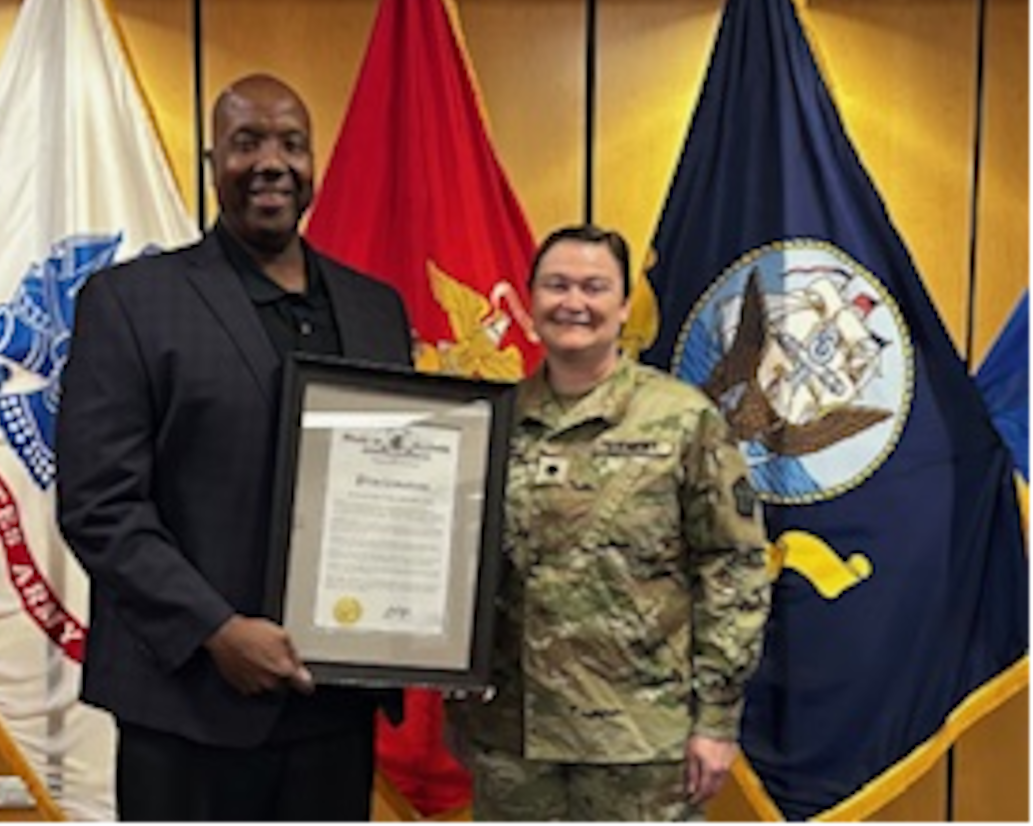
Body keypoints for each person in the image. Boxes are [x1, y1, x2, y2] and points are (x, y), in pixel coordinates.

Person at [56, 73, 412, 825]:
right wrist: (215, 631)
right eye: (247, 142)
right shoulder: (131, 301)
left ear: (314, 162)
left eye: (291, 142)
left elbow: (397, 486)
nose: (271, 161)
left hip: (331, 707)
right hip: (188, 704)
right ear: (213, 159)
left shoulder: (377, 310)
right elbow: (99, 505)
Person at [449, 224, 771, 825]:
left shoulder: (682, 420)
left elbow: (735, 569)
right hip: (513, 740)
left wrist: (718, 721)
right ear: (529, 301)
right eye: (557, 285)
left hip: (640, 746)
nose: (574, 302)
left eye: (595, 287)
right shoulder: (490, 421)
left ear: (624, 306)